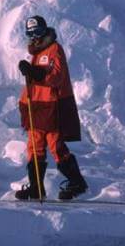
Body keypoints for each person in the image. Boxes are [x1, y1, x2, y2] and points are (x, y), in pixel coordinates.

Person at [16, 15, 87, 200]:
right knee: (34, 147)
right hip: (36, 107)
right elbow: (34, 83)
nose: (35, 37)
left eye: (37, 33)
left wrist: (33, 72)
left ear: (45, 30)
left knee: (56, 145)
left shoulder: (55, 50)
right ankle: (36, 188)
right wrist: (24, 103)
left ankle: (77, 182)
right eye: (30, 34)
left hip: (52, 107)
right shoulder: (37, 54)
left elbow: (55, 77)